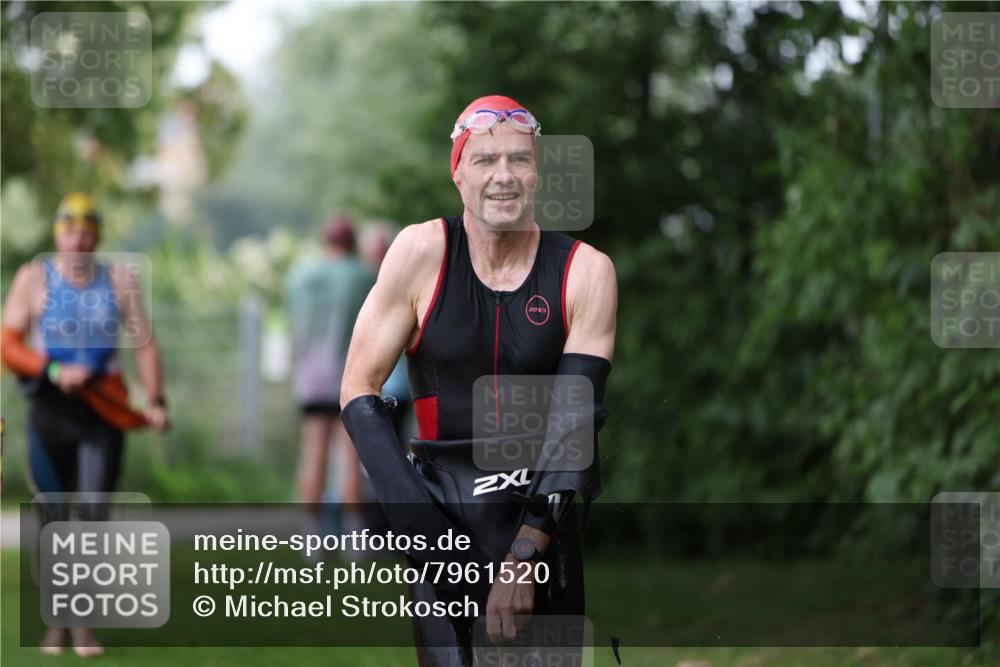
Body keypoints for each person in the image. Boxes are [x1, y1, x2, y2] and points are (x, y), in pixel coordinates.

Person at [340, 95, 617, 666]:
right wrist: (425, 536)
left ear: (538, 171)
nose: (504, 176)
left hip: (538, 521)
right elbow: (358, 390)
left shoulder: (585, 271)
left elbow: (574, 429)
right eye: (486, 160)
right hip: (442, 514)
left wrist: (524, 556)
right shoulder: (421, 253)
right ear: (458, 171)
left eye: (520, 159)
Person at [1, 192, 170, 656]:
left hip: (101, 414)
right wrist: (53, 371)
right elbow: (7, 344)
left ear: (97, 235)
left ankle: (82, 627)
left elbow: (145, 345)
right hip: (50, 413)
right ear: (57, 234)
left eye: (86, 229)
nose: (77, 238)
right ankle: (60, 623)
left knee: (93, 519)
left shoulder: (120, 279)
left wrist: (155, 399)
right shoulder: (33, 279)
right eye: (68, 229)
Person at [285, 215, 374, 538]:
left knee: (313, 454)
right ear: (352, 242)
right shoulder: (363, 276)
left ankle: (312, 536)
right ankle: (353, 535)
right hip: (350, 377)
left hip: (311, 378)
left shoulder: (299, 277)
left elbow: (293, 326)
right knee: (349, 456)